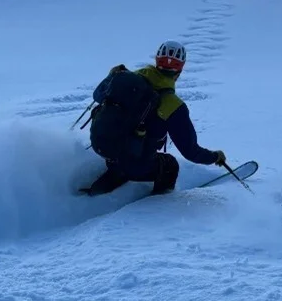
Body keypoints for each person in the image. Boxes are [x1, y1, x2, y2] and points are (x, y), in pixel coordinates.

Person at [81, 40, 226, 197]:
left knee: (126, 158)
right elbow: (191, 152)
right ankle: (157, 209)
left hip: (105, 150)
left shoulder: (128, 79)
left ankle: (99, 190)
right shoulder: (173, 105)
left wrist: (111, 76)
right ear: (180, 70)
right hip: (136, 162)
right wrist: (214, 156)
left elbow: (97, 96)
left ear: (157, 60)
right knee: (169, 165)